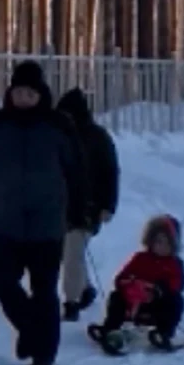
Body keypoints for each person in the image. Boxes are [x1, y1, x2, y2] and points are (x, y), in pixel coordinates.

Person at [0, 61, 85, 365]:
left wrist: (78, 211)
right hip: (8, 223)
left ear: (41, 94)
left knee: (44, 290)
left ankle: (45, 353)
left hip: (48, 225)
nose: (23, 98)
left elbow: (77, 171)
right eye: (18, 92)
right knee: (1, 282)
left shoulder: (58, 126)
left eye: (29, 93)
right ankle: (31, 330)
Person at [53, 88, 120, 321]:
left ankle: (71, 302)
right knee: (70, 253)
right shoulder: (59, 137)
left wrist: (108, 205)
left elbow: (110, 172)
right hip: (61, 206)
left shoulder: (97, 138)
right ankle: (86, 289)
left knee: (72, 252)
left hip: (88, 207)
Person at [88, 215, 184, 353]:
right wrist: (129, 284)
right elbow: (121, 277)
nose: (162, 247)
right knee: (116, 297)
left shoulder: (174, 263)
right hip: (134, 303)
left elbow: (179, 283)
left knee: (176, 301)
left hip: (157, 305)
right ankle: (110, 328)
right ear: (151, 241)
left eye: (167, 243)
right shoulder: (140, 259)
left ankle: (163, 333)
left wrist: (159, 289)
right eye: (159, 242)